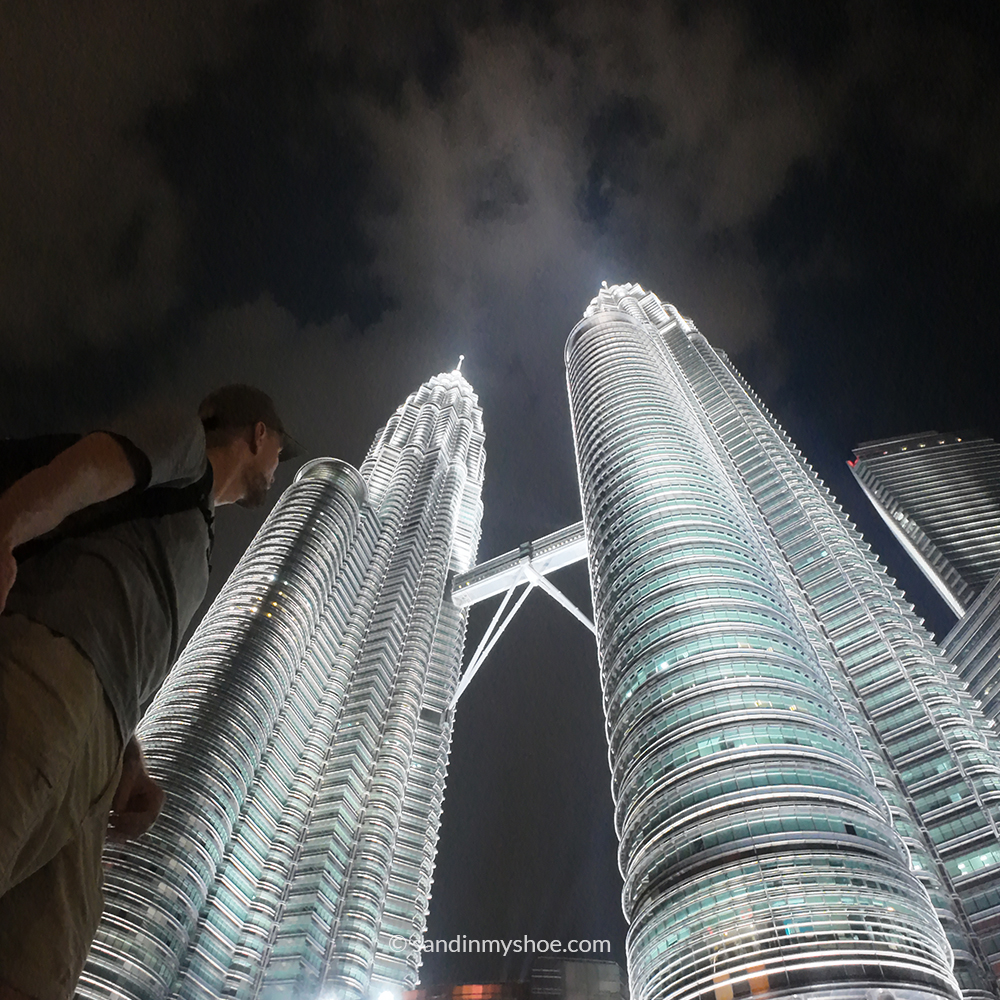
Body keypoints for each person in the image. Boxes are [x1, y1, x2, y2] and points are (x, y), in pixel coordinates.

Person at [0, 385, 302, 1000]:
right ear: (258, 435)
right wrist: (3, 530)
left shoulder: (199, 539)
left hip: (99, 736)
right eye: (279, 454)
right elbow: (87, 467)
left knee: (41, 967)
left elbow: (128, 634)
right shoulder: (184, 440)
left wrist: (129, 759)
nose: (276, 469)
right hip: (52, 667)